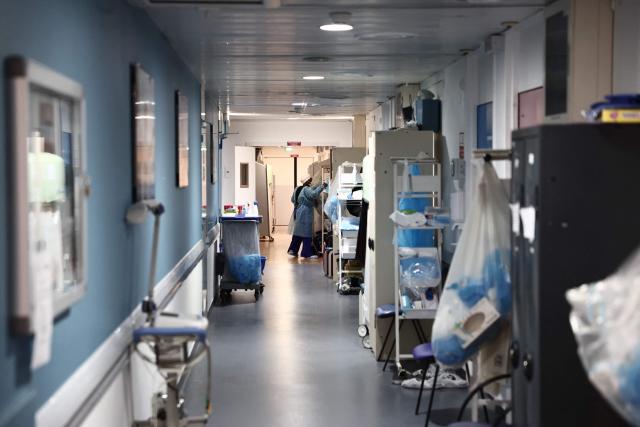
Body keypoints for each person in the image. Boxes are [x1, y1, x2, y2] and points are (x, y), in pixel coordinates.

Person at [287, 176, 327, 259]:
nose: (311, 183)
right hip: (305, 211)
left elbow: (292, 199)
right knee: (306, 231)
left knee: (298, 231)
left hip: (298, 210)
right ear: (307, 182)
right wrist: (322, 186)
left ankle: (293, 250)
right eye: (310, 181)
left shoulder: (297, 188)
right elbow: (313, 194)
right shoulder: (306, 189)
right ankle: (306, 253)